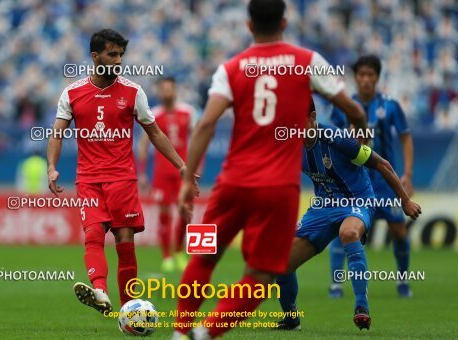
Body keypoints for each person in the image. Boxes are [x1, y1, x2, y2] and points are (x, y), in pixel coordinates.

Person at [173, 0, 367, 339]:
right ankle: (204, 334)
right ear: (285, 21)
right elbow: (351, 107)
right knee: (261, 275)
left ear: (248, 26)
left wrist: (188, 180)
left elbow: (205, 124)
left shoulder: (231, 67)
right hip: (278, 190)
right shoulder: (307, 61)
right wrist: (359, 128)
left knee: (202, 256)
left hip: (231, 182)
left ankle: (180, 332)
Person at [46, 29, 197, 314]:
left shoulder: (133, 91)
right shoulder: (72, 93)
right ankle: (100, 291)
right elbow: (56, 134)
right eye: (112, 54)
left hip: (122, 179)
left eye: (120, 55)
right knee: (93, 234)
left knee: (124, 241)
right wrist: (52, 167)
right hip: (88, 180)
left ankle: (128, 309)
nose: (117, 60)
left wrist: (182, 165)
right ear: (95, 56)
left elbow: (154, 133)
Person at [276, 98, 421, 331]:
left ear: (312, 118)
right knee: (281, 265)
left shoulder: (337, 139)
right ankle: (291, 319)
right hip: (323, 206)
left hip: (357, 200)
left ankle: (361, 307)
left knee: (349, 232)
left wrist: (404, 200)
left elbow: (382, 164)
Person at [328, 55, 415, 298]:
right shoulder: (342, 106)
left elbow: (406, 137)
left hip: (385, 182)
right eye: (361, 75)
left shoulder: (390, 106)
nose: (366, 80)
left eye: (370, 75)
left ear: (377, 77)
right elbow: (330, 138)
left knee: (398, 230)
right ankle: (336, 284)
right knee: (342, 229)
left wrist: (407, 174)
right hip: (353, 182)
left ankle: (403, 281)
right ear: (355, 78)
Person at [137, 77, 197, 272]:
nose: (167, 92)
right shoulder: (154, 114)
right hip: (162, 173)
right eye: (163, 89)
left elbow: (198, 139)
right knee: (164, 214)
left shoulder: (188, 112)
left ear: (175, 90)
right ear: (159, 92)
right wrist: (143, 172)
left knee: (184, 212)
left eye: (170, 88)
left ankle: (179, 250)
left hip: (184, 172)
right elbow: (144, 144)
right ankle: (167, 256)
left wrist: (199, 164)